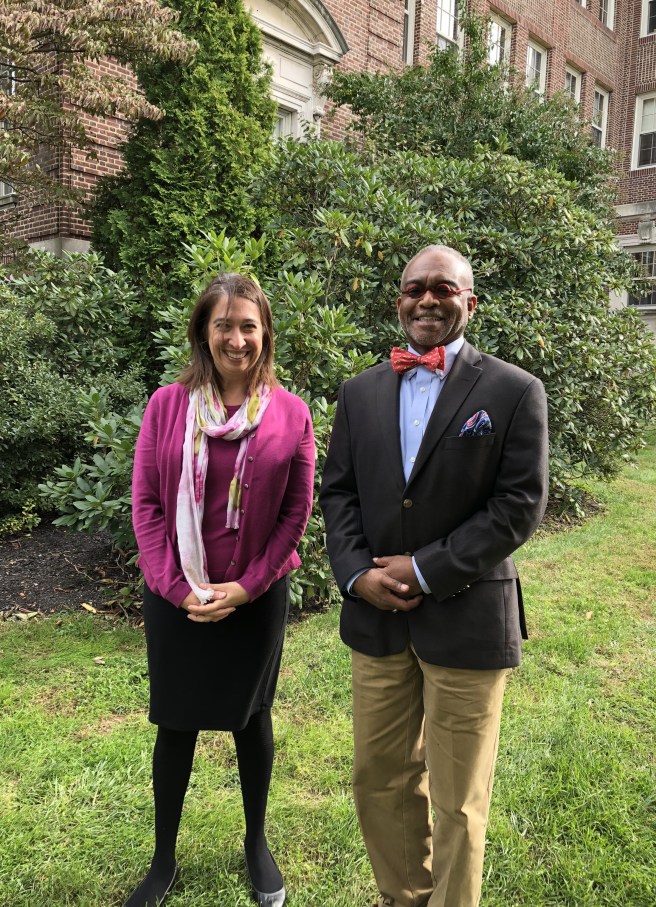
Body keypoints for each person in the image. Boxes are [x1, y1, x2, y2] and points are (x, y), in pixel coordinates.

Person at [319, 245, 549, 907]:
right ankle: (403, 897)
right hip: (378, 620)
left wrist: (425, 568)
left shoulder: (512, 390)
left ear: (469, 303)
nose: (427, 299)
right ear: (398, 301)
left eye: (443, 288)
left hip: (469, 617)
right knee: (379, 778)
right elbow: (338, 493)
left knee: (458, 801)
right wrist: (355, 571)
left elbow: (518, 506)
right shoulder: (360, 392)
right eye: (415, 288)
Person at [127, 273, 314, 907]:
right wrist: (175, 588)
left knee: (251, 721)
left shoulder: (292, 413)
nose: (236, 339)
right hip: (177, 595)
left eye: (248, 326)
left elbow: (296, 514)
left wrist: (249, 586)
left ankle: (256, 845)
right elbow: (148, 503)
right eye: (223, 326)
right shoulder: (166, 405)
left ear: (264, 335)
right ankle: (163, 859)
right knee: (175, 725)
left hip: (254, 598)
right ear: (203, 333)